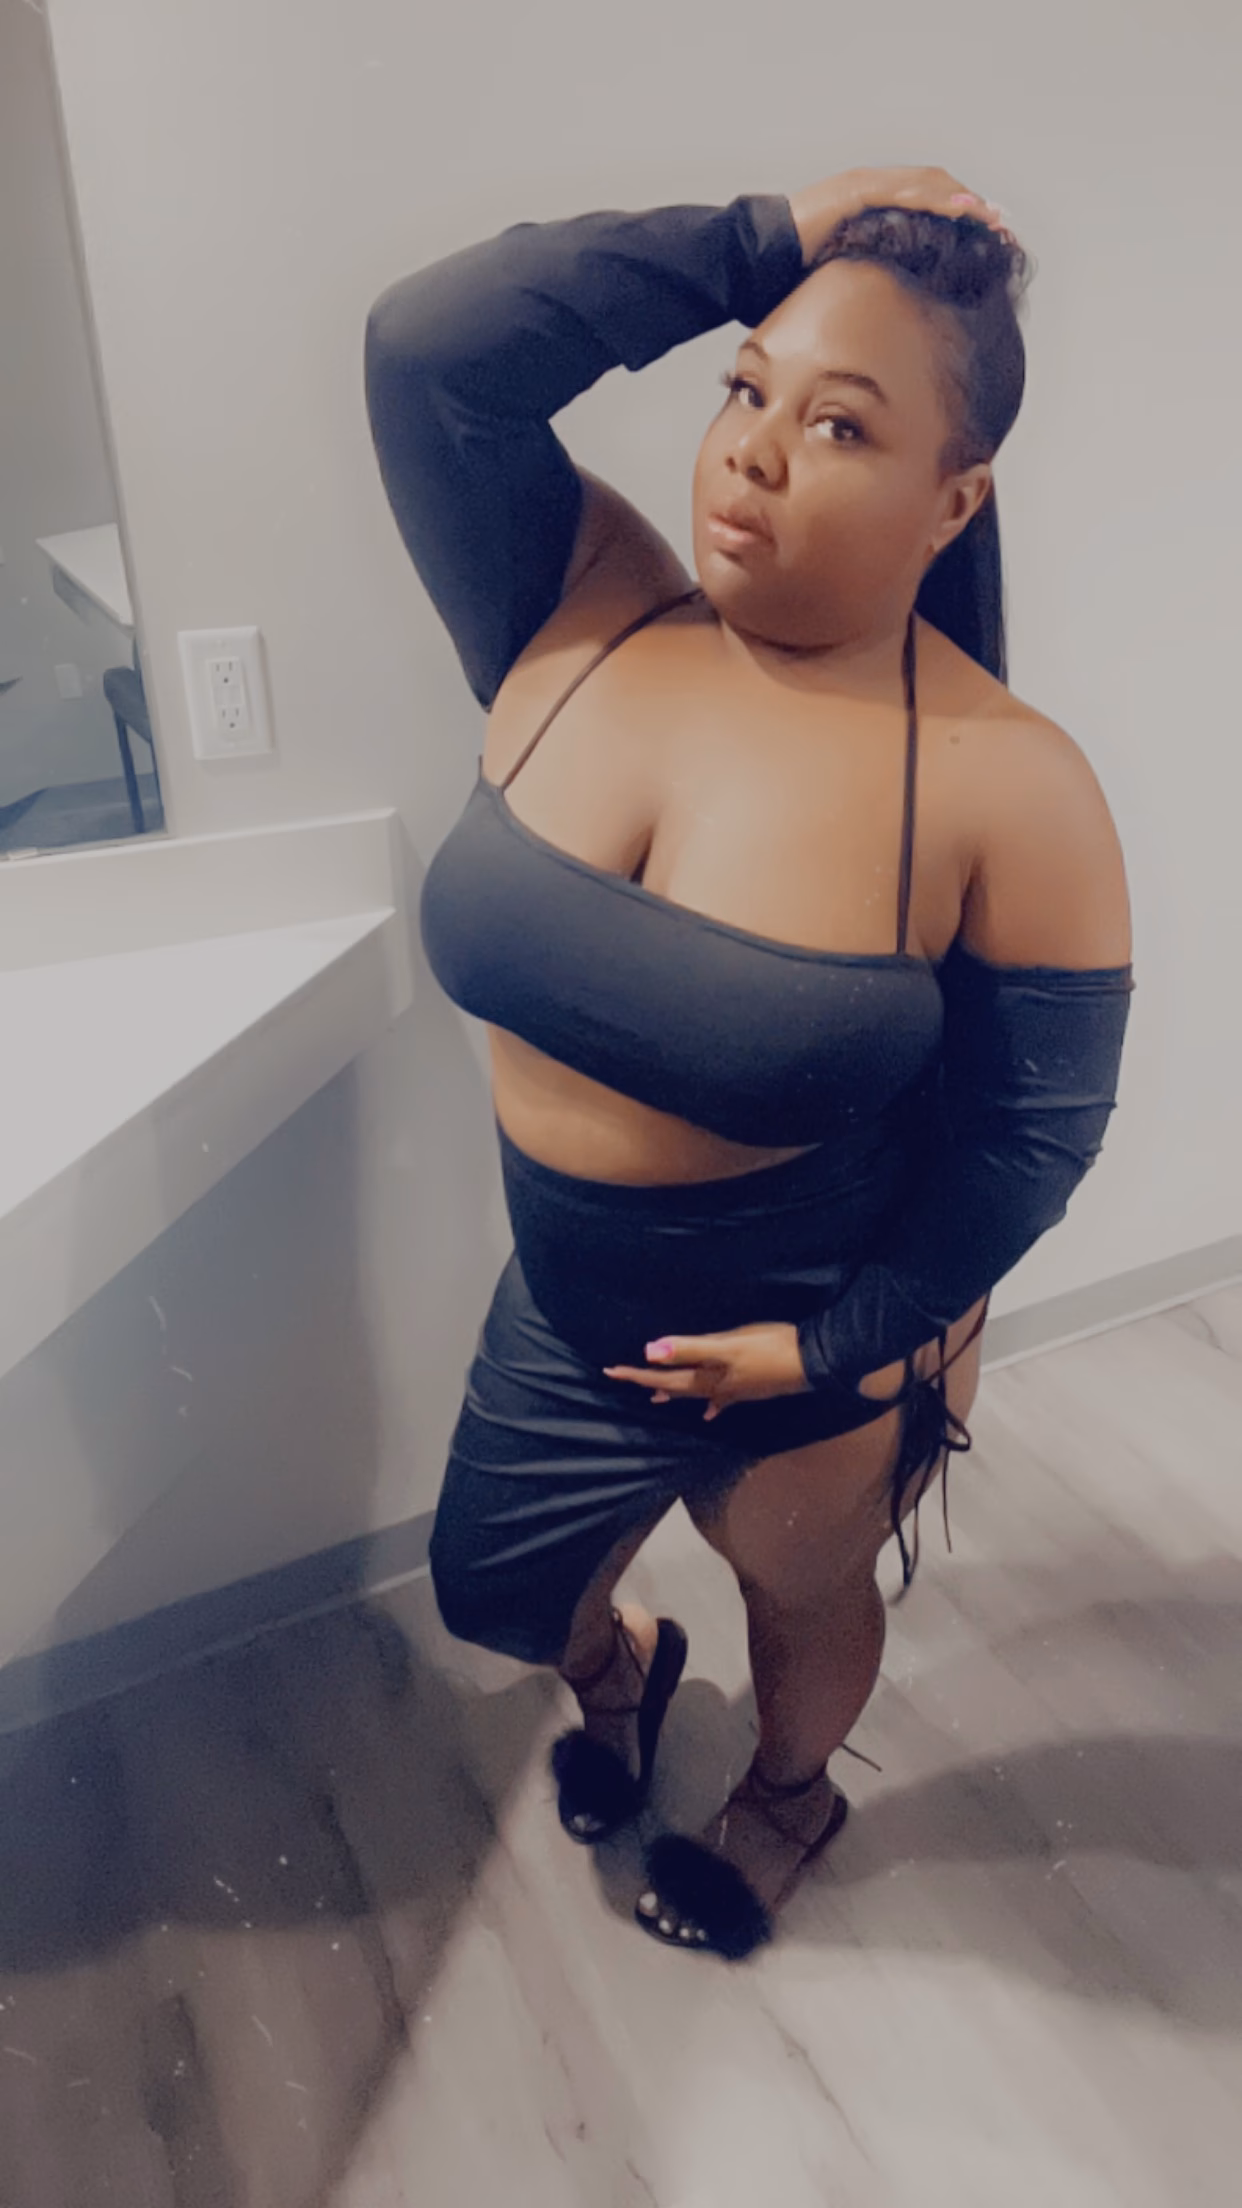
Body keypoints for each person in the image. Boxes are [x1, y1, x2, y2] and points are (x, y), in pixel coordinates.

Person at [364, 164, 1134, 1961]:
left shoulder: (1008, 783)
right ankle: (618, 1671)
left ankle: (787, 1795)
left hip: (810, 1327)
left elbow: (1030, 1142)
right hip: (570, 1296)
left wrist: (836, 1347)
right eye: (743, 389)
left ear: (956, 498)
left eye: (839, 423)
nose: (751, 453)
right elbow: (427, 354)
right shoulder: (577, 609)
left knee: (800, 1594)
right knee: (495, 1591)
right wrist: (759, 242)